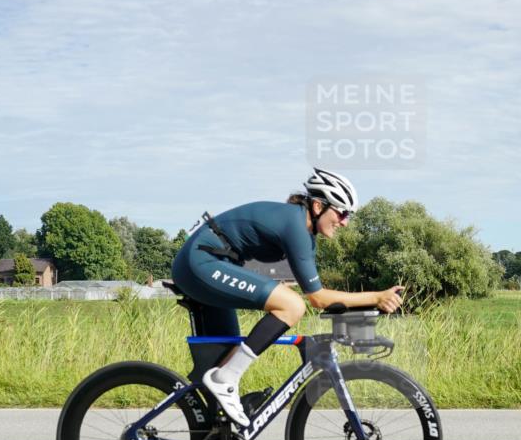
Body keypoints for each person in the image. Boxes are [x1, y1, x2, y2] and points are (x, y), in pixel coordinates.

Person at [170, 168, 404, 426]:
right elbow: (317, 298)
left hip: (208, 263)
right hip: (200, 263)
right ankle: (226, 379)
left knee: (222, 360)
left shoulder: (303, 232)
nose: (345, 222)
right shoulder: (294, 225)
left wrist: (370, 304)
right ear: (317, 206)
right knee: (292, 305)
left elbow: (323, 294)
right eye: (341, 212)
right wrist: (376, 297)